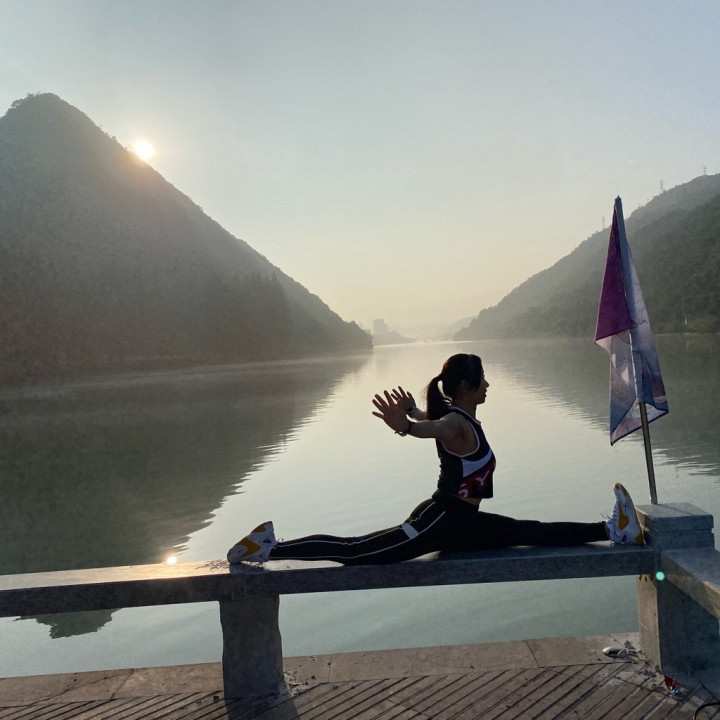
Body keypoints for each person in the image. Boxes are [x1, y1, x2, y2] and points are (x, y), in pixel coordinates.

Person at [227, 353, 644, 565]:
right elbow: (434, 429)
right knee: (357, 552)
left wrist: (412, 413)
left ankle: (613, 529)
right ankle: (269, 548)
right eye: (482, 380)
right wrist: (405, 427)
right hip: (439, 521)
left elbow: (431, 420)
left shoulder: (459, 417)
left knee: (530, 530)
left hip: (461, 522)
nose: (488, 385)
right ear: (466, 386)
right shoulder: (454, 424)